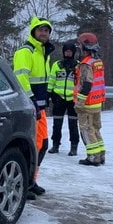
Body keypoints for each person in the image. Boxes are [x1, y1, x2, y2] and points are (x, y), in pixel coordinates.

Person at [13, 16, 55, 197]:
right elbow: (21, 78)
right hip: (30, 107)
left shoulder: (43, 53)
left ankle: (31, 181)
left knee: (42, 145)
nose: (43, 33)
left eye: (46, 30)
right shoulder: (26, 51)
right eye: (40, 30)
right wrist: (32, 102)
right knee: (31, 146)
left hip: (40, 107)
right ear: (33, 32)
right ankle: (24, 184)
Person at [74, 32, 106, 166]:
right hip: (97, 102)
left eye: (80, 45)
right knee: (95, 129)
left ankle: (93, 156)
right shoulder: (97, 62)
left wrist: (79, 102)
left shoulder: (86, 64)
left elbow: (86, 84)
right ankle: (101, 154)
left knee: (86, 130)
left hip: (87, 103)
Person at [48, 41, 80, 156]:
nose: (68, 53)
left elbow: (80, 83)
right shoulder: (57, 64)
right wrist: (50, 94)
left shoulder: (78, 65)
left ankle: (74, 147)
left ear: (73, 52)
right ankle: (55, 145)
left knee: (73, 124)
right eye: (66, 51)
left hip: (72, 99)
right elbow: (51, 80)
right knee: (57, 123)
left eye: (70, 51)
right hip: (59, 98)